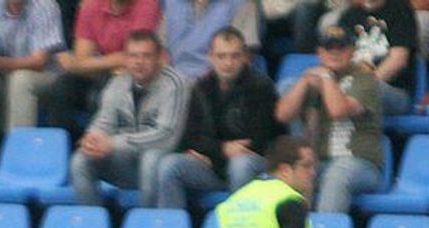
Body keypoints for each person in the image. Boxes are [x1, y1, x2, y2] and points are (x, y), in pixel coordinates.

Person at [155, 26, 279, 209]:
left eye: (234, 56)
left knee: (241, 164)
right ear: (210, 57)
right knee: (170, 166)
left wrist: (211, 152)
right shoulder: (200, 88)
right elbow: (189, 138)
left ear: (245, 57)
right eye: (221, 56)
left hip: (255, 167)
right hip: (213, 166)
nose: (228, 63)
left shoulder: (261, 87)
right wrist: (221, 149)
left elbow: (259, 142)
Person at [69, 29, 188, 207]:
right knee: (80, 160)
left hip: (165, 164)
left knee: (151, 159)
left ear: (159, 57)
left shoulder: (176, 83)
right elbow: (104, 122)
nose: (139, 62)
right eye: (133, 56)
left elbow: (166, 137)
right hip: (126, 163)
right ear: (125, 58)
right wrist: (92, 139)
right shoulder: (118, 83)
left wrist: (112, 143)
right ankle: (94, 226)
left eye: (146, 56)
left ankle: (149, 225)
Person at [273, 25, 382, 213]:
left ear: (352, 51)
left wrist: (325, 76)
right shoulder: (313, 77)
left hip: (362, 164)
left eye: (341, 47)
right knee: (289, 171)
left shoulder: (365, 77)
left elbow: (338, 110)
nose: (335, 52)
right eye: (329, 48)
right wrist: (304, 81)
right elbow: (282, 115)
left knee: (337, 173)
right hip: (321, 163)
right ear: (319, 52)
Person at [38, 0, 161, 138]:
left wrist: (89, 63)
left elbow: (135, 55)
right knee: (61, 88)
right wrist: (110, 62)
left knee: (101, 95)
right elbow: (82, 59)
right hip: (99, 72)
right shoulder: (92, 6)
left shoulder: (148, 5)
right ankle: (64, 148)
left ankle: (97, 150)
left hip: (134, 76)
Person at [0, 0, 67, 135]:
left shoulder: (45, 6)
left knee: (21, 80)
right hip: (2, 71)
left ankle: (18, 147)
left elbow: (38, 62)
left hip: (45, 75)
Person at [336, 0, 418, 115]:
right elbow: (336, 58)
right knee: (315, 87)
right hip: (352, 84)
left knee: (367, 90)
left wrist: (363, 85)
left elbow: (398, 60)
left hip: (392, 90)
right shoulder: (349, 15)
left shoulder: (400, 9)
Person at [159, 0, 261, 79]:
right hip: (173, 80)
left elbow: (243, 58)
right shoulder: (172, 2)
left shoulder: (242, 4)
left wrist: (206, 83)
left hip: (216, 82)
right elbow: (161, 50)